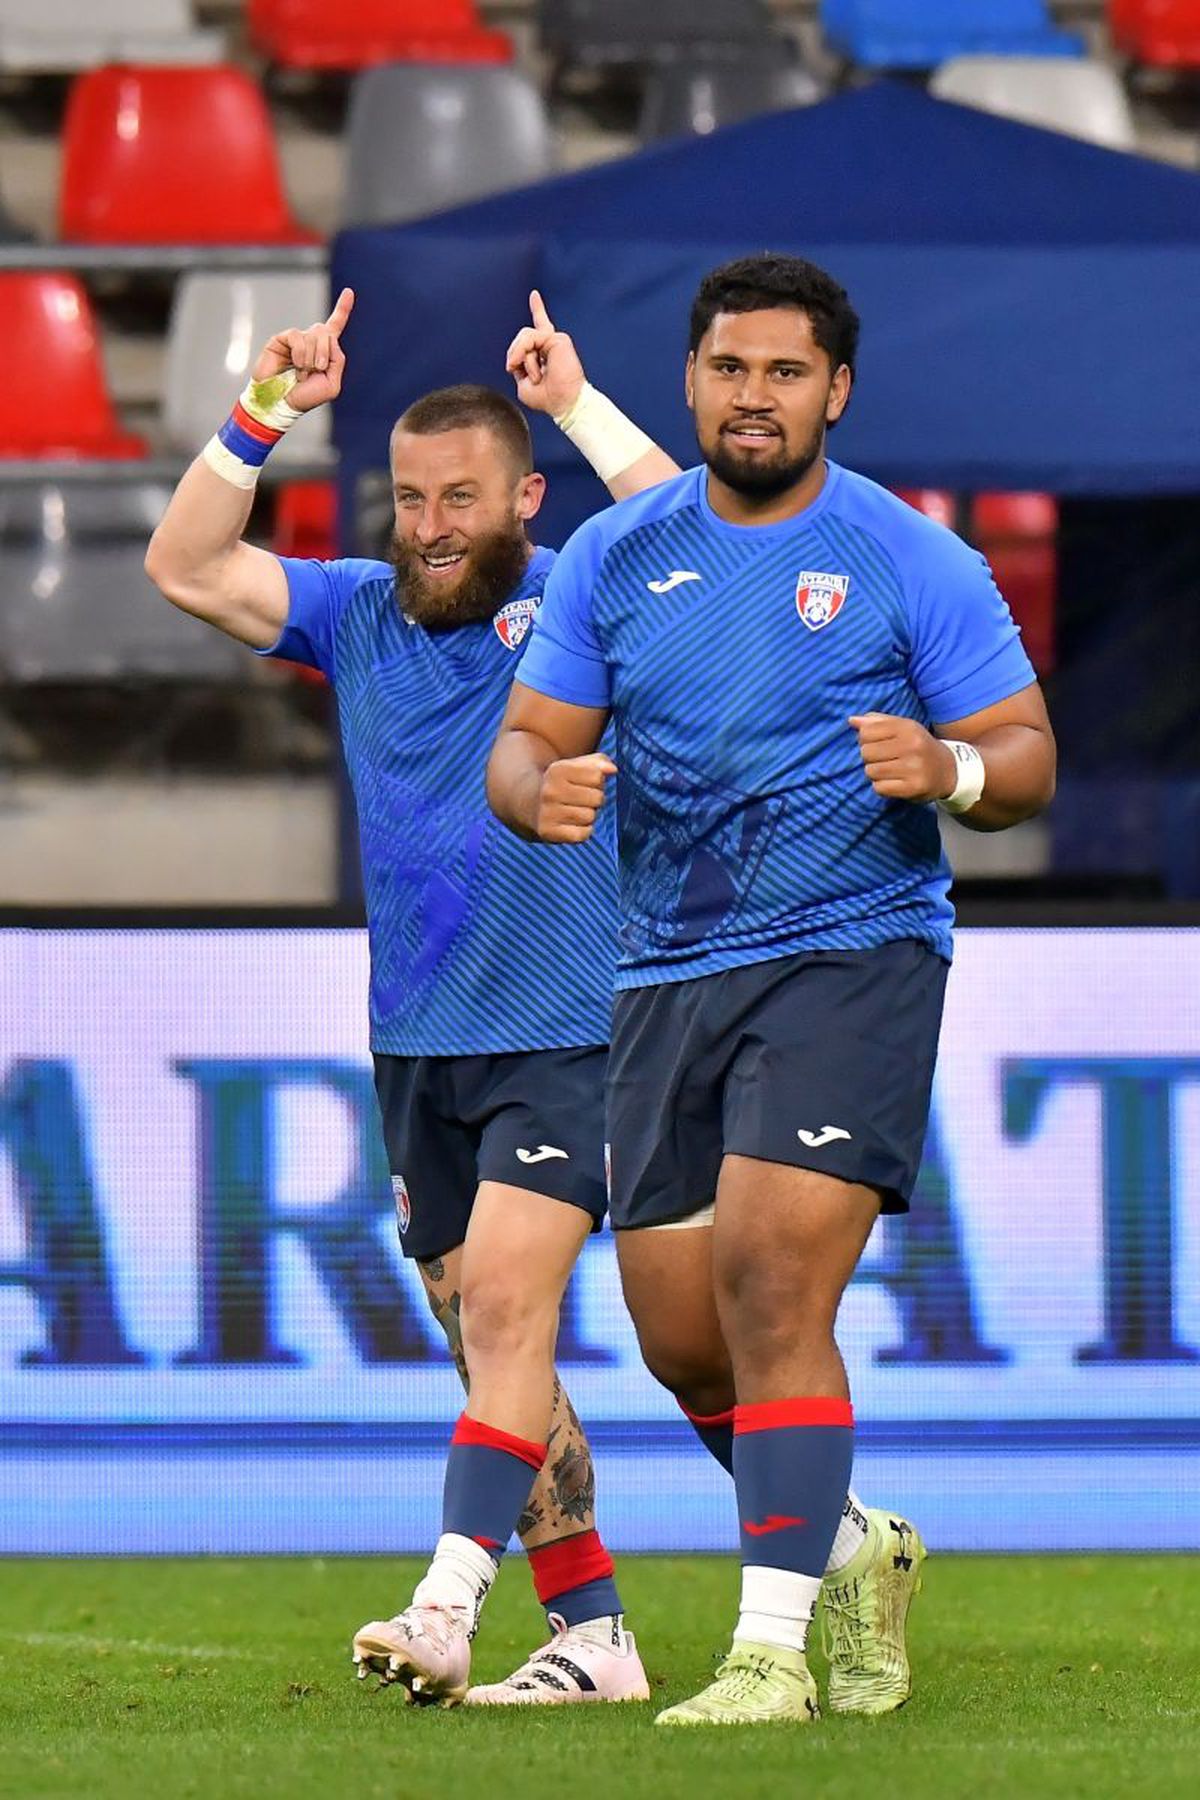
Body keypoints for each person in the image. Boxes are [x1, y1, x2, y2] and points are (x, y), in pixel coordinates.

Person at [487, 252, 1057, 1727]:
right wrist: (533, 792)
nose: (756, 397)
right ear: (691, 381)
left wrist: (955, 770)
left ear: (837, 392)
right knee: (683, 1336)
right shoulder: (620, 555)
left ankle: (770, 1655)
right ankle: (850, 1543)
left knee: (769, 1279)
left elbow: (1026, 755)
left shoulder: (910, 557)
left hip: (854, 951)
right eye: (732, 369)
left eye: (786, 373)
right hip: (667, 968)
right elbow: (525, 743)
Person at [144, 286, 676, 1708]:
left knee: (506, 1309)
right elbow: (187, 563)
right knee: (493, 1345)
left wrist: (575, 401)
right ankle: (599, 1636)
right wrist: (261, 415)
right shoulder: (359, 615)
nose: (431, 522)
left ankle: (446, 1608)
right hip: (416, 1045)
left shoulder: (582, 594)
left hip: (573, 1027)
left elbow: (700, 545)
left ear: (524, 500)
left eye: (461, 497)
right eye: (409, 495)